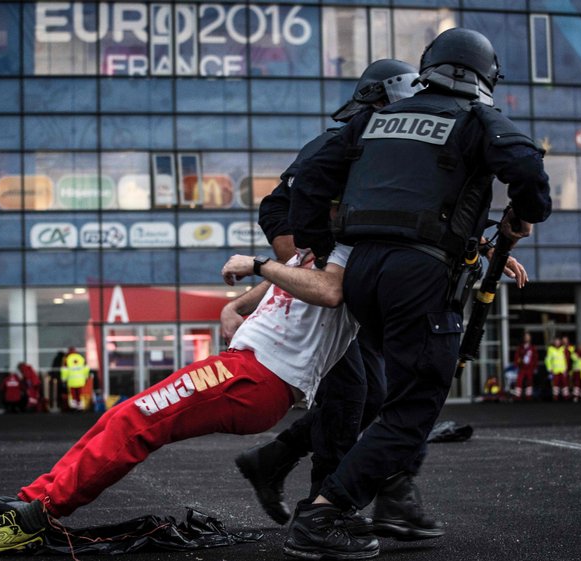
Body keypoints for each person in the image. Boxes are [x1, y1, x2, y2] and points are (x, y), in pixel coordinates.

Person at [284, 27, 551, 559]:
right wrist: (523, 215)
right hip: (421, 275)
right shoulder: (476, 118)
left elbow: (310, 174)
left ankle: (392, 503)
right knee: (414, 410)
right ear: (484, 77)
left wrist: (317, 245)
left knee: (391, 397)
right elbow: (526, 165)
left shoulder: (374, 119)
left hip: (363, 274)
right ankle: (324, 512)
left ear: (429, 66)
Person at [0, 244, 359, 554]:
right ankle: (30, 501)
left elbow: (331, 291)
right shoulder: (307, 247)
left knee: (137, 422)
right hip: (240, 365)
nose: (282, 232)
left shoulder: (349, 250)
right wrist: (237, 303)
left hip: (259, 378)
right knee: (123, 415)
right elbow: (282, 278)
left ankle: (38, 516)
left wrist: (257, 263)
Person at [235, 58, 441, 540]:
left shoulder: (397, 147)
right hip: (332, 281)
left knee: (374, 394)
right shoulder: (341, 139)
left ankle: (274, 459)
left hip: (353, 283)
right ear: (382, 103)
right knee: (350, 395)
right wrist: (314, 258)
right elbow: (278, 208)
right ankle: (321, 509)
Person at [513, 332, 538, 401]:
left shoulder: (533, 348)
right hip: (522, 368)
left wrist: (535, 367)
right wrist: (516, 365)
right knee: (519, 381)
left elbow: (535, 358)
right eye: (526, 336)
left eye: (528, 336)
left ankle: (528, 396)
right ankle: (517, 397)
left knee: (529, 382)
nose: (527, 338)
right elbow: (517, 357)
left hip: (530, 368)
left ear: (530, 338)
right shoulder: (520, 347)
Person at [545, 336, 569, 401]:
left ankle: (566, 397)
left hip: (562, 370)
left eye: (558, 341)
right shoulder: (551, 349)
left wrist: (566, 368)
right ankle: (555, 397)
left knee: (564, 384)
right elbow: (547, 360)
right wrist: (549, 368)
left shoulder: (563, 349)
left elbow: (566, 359)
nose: (557, 342)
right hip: (554, 370)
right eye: (556, 341)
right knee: (555, 384)